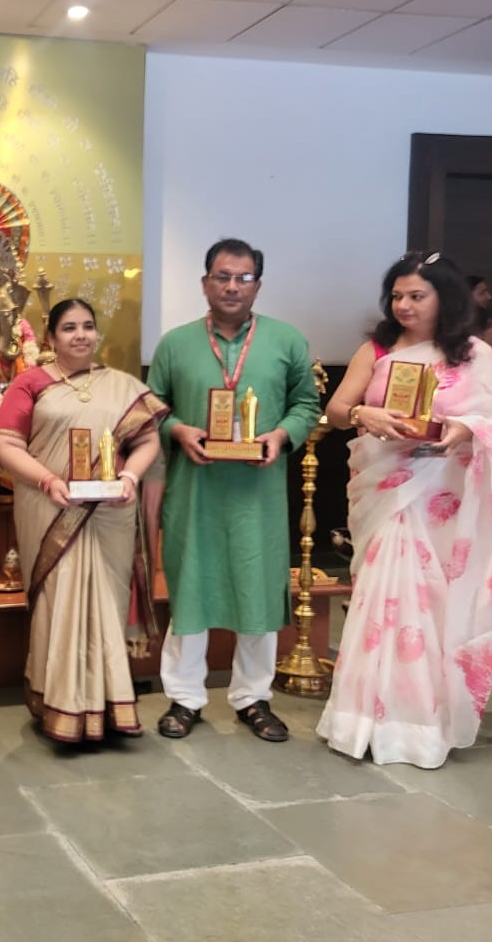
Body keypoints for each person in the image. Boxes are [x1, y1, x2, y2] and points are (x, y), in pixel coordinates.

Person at [316, 251, 492, 768]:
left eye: (416, 296)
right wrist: (364, 412)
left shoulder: (473, 353)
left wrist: (464, 428)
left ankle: (418, 727)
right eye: (396, 296)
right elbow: (337, 410)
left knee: (430, 605)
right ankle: (358, 720)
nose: (403, 305)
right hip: (387, 490)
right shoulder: (378, 347)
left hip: (442, 497)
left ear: (443, 298)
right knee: (381, 599)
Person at [147, 238, 321, 742]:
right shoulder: (175, 343)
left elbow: (306, 404)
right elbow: (151, 406)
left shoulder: (286, 340)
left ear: (258, 286)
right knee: (190, 589)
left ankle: (252, 698)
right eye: (222, 276)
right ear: (205, 282)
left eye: (243, 278)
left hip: (257, 494)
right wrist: (178, 430)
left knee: (257, 590)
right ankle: (184, 698)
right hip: (195, 492)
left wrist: (281, 435)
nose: (232, 287)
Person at [0, 298, 166, 742]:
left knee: (106, 601)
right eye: (69, 327)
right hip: (50, 508)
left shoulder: (122, 386)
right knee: (61, 602)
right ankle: (60, 706)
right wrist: (48, 480)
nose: (81, 335)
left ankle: (109, 706)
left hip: (111, 513)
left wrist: (129, 476)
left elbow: (149, 442)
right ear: (50, 337)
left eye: (88, 326)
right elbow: (6, 445)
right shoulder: (30, 384)